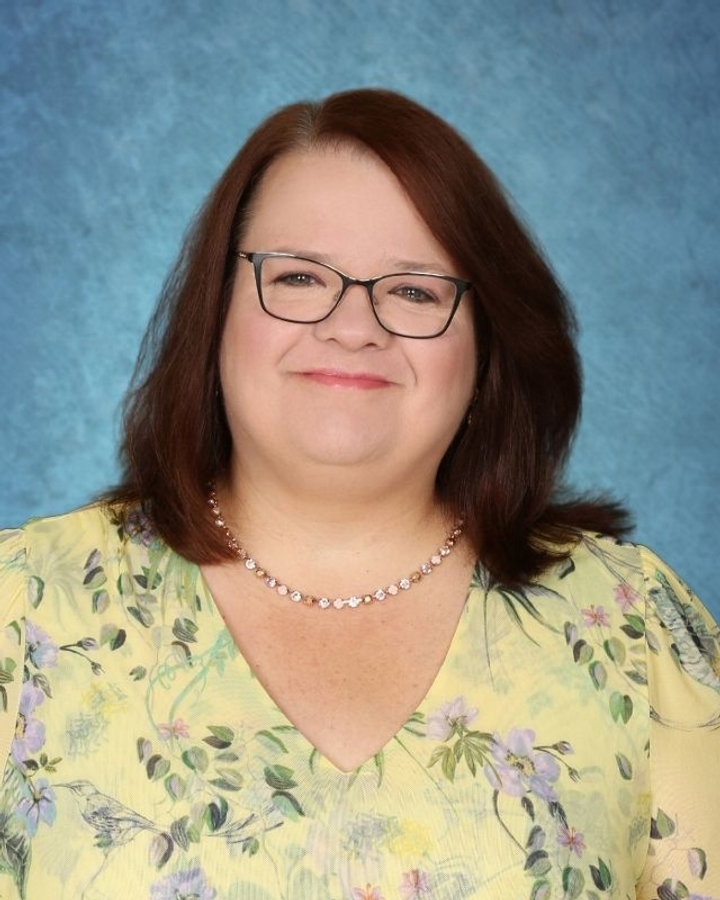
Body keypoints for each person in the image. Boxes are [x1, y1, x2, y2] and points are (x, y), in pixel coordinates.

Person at [0, 88, 718, 900]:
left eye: (414, 291)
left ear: (487, 349)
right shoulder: (21, 610)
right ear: (215, 314)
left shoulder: (632, 629)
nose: (352, 326)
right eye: (300, 277)